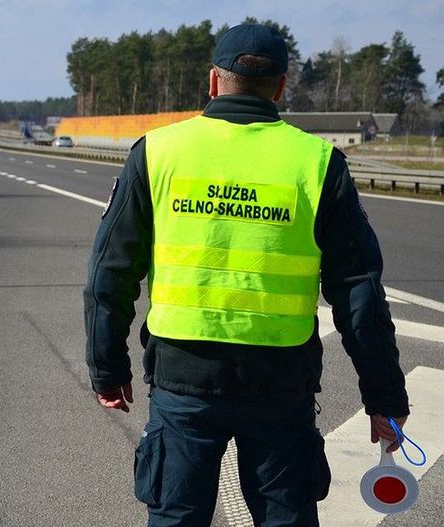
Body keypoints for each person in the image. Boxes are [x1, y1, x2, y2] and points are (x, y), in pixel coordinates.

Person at [83, 24, 410, 527]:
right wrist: (384, 397)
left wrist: (108, 368)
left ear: (213, 82)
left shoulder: (157, 152)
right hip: (280, 383)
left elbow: (110, 273)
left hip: (182, 378)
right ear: (281, 87)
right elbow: (358, 292)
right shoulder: (318, 163)